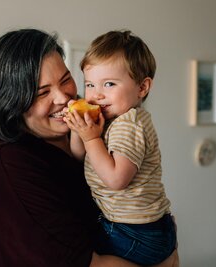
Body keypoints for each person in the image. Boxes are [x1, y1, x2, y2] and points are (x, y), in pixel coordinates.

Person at [64, 30, 178, 266]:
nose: (96, 94)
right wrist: (78, 129)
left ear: (142, 88)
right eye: (90, 84)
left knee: (75, 251)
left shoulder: (129, 123)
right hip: (138, 226)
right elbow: (77, 157)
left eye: (109, 84)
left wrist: (91, 139)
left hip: (136, 231)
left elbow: (116, 179)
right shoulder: (109, 121)